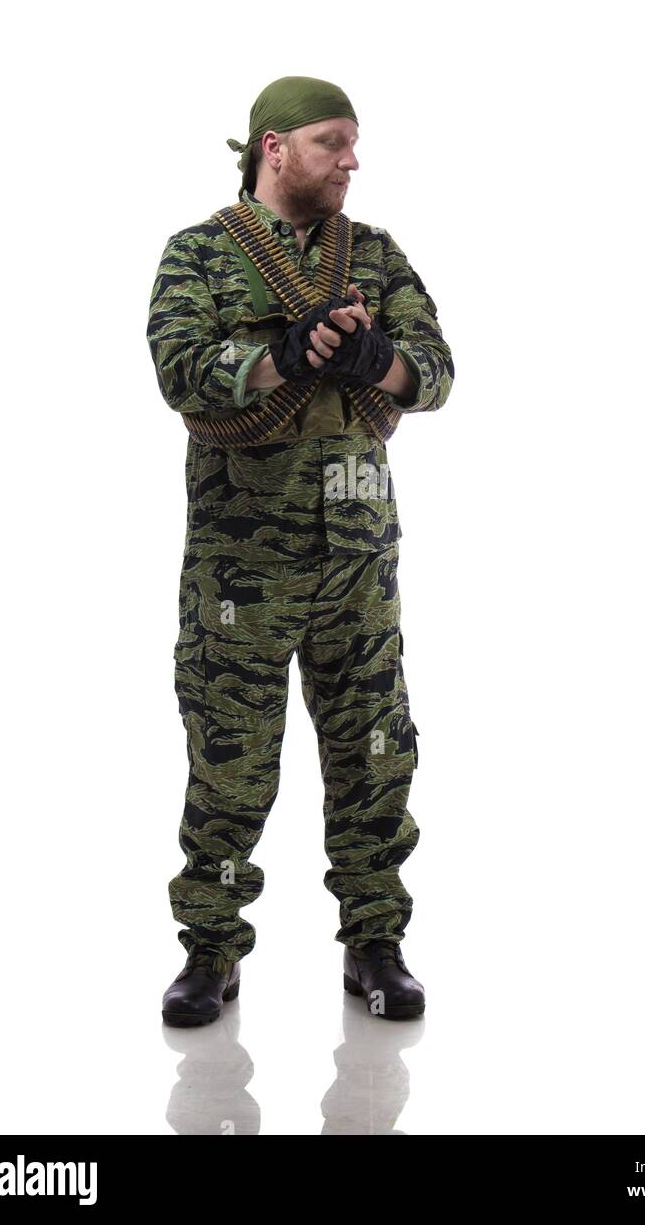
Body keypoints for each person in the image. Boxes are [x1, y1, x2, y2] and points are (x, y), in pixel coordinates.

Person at [147, 75, 454, 1026]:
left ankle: (376, 942)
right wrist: (285, 354)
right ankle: (211, 952)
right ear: (274, 148)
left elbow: (437, 373)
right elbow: (180, 372)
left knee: (374, 756)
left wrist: (379, 363)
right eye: (332, 142)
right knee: (230, 762)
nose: (350, 161)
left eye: (353, 143)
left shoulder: (376, 258)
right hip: (241, 566)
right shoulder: (201, 255)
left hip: (358, 561)